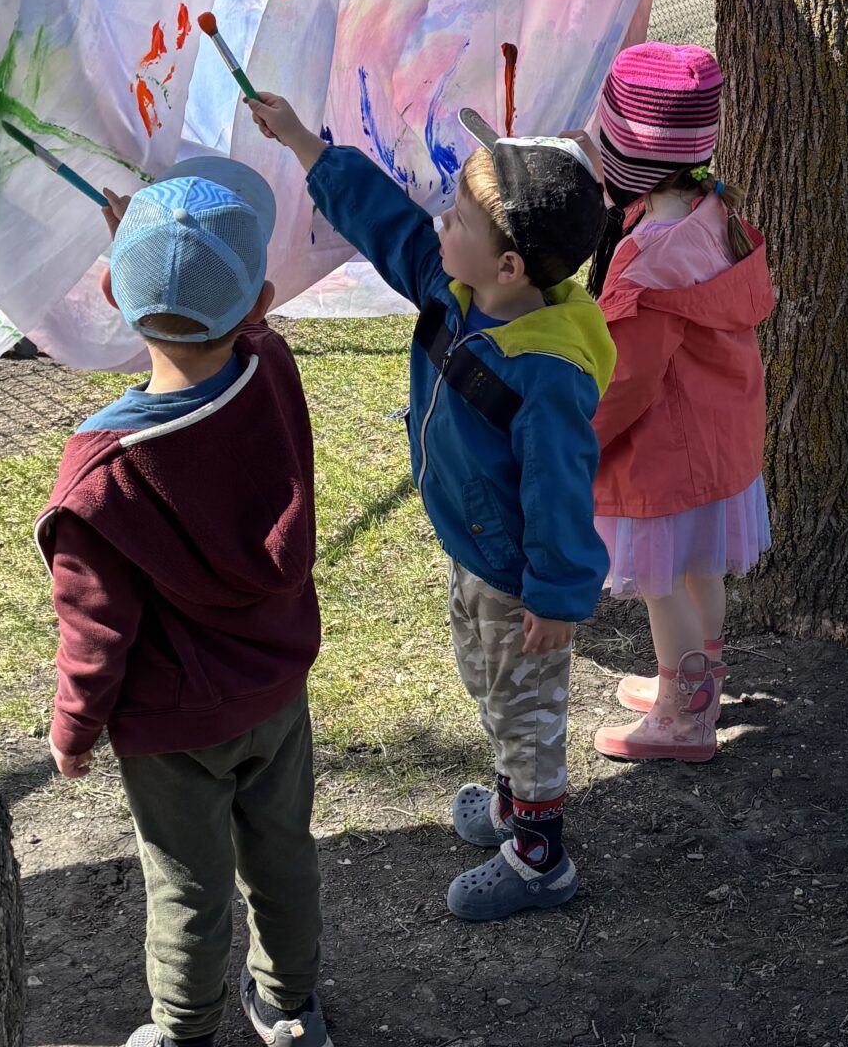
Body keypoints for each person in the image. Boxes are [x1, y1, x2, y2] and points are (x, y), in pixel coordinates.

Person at [247, 92, 612, 921]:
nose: (439, 223)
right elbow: (387, 226)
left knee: (525, 706)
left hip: (518, 577)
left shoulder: (546, 371)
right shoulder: (457, 290)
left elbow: (560, 490)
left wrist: (557, 596)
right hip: (474, 548)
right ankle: (514, 803)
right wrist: (304, 143)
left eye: (457, 219)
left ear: (509, 266)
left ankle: (540, 857)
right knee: (490, 685)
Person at [38, 157, 329, 1047]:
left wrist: (74, 727)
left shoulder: (101, 474)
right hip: (276, 692)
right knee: (281, 852)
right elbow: (244, 324)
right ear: (261, 302)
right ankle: (294, 1016)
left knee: (189, 886)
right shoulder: (271, 374)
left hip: (172, 730)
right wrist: (167, 250)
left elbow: (94, 627)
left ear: (111, 294)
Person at [585, 43, 773, 763]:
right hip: (720, 440)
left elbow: (626, 380)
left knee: (662, 587)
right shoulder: (713, 210)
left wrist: (582, 438)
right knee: (701, 570)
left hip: (665, 454)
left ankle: (684, 713)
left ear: (624, 156)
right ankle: (699, 674)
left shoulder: (647, 258)